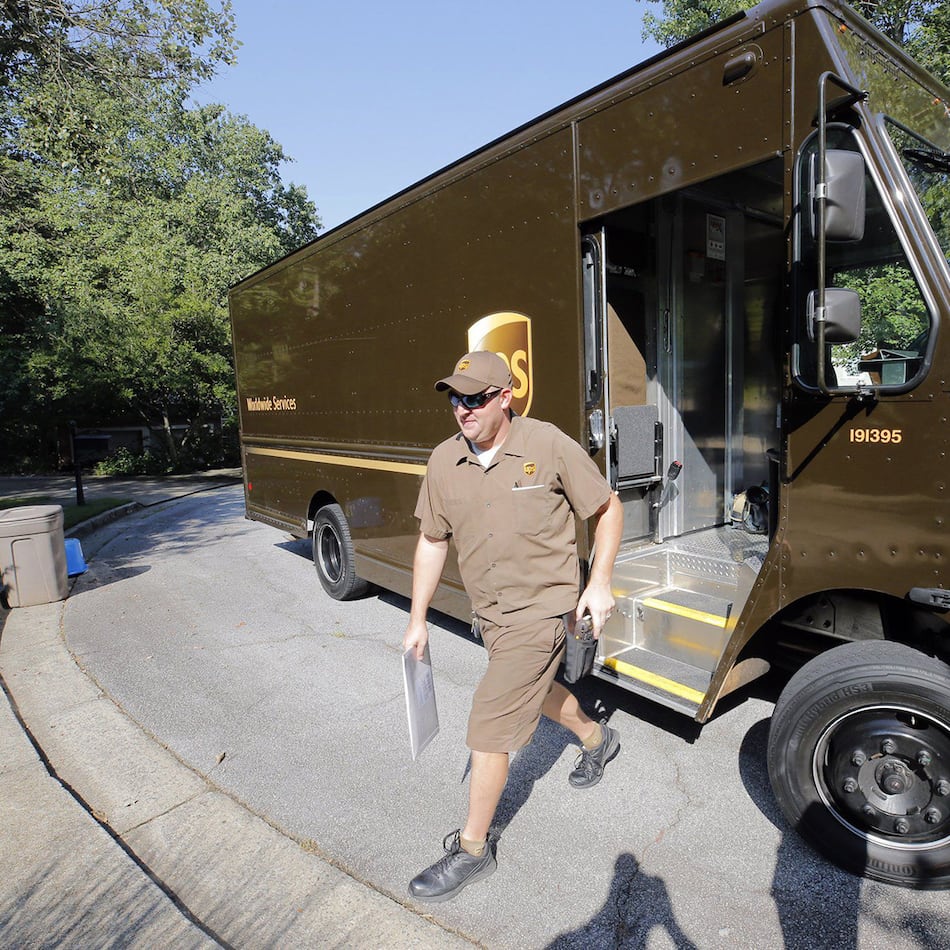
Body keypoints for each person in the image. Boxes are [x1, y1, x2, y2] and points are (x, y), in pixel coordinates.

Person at [403, 350, 624, 903]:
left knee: (489, 722)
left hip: (544, 611)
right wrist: (417, 620)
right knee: (537, 692)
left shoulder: (546, 445)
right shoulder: (443, 461)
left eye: (475, 398)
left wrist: (597, 584)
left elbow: (607, 508)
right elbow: (432, 541)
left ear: (507, 397)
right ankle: (598, 738)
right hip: (491, 616)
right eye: (455, 397)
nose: (462, 409)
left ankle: (474, 849)